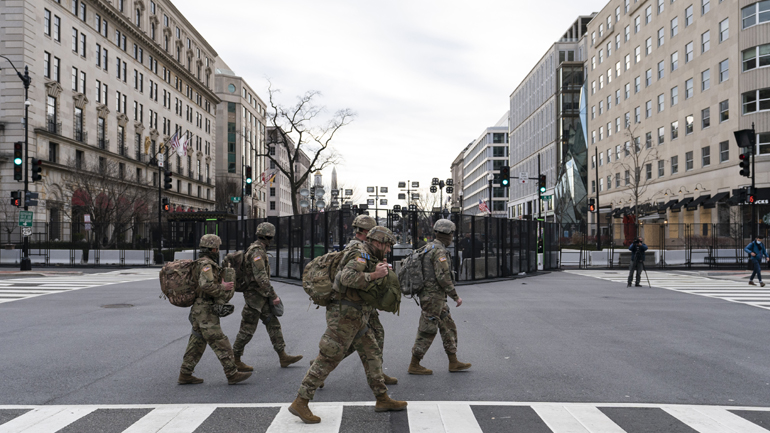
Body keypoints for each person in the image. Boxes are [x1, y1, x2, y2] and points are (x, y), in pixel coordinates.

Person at [289, 226, 407, 424]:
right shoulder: (360, 254)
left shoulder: (369, 256)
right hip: (344, 315)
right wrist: (374, 276)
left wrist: (379, 272)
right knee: (329, 357)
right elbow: (345, 278)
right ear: (378, 242)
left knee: (372, 354)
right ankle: (301, 401)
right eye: (387, 246)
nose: (388, 250)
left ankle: (382, 398)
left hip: (358, 314)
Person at [318, 214, 398, 387]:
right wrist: (376, 274)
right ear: (368, 233)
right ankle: (320, 366)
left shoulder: (362, 247)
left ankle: (377, 376)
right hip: (352, 302)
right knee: (349, 342)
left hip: (361, 301)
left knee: (372, 337)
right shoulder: (358, 248)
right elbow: (349, 276)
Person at [178, 234, 251, 385]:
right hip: (205, 310)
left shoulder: (199, 262)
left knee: (197, 341)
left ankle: (185, 374)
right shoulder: (207, 264)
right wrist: (222, 287)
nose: (218, 251)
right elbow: (206, 285)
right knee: (220, 341)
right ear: (213, 248)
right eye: (217, 248)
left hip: (198, 309)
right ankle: (232, 373)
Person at [232, 222, 303, 372]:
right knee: (247, 330)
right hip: (254, 298)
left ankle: (283, 356)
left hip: (260, 297)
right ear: (269, 236)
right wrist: (273, 295)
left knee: (273, 325)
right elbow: (261, 278)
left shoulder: (256, 249)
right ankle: (235, 359)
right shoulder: (257, 252)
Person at [408, 219, 471, 375]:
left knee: (448, 326)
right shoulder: (439, 251)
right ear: (448, 235)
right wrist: (455, 296)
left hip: (433, 297)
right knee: (427, 330)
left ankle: (453, 361)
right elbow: (443, 276)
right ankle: (414, 364)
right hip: (433, 298)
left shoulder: (428, 247)